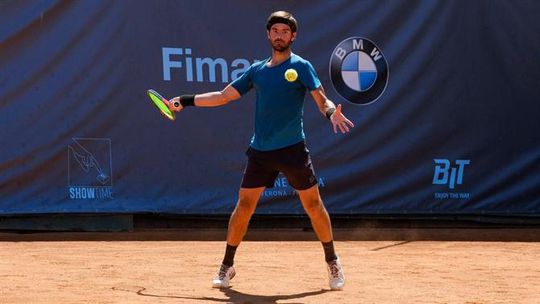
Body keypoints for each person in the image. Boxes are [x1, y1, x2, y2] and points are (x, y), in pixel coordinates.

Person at [168, 11, 354, 291]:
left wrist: (331, 113)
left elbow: (321, 99)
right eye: (275, 30)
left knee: (314, 206)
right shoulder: (257, 71)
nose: (279, 34)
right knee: (243, 207)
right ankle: (227, 266)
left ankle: (332, 261)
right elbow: (223, 96)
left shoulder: (301, 66)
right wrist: (186, 100)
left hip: (293, 149)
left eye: (285, 31)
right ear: (268, 35)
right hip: (261, 151)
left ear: (293, 36)